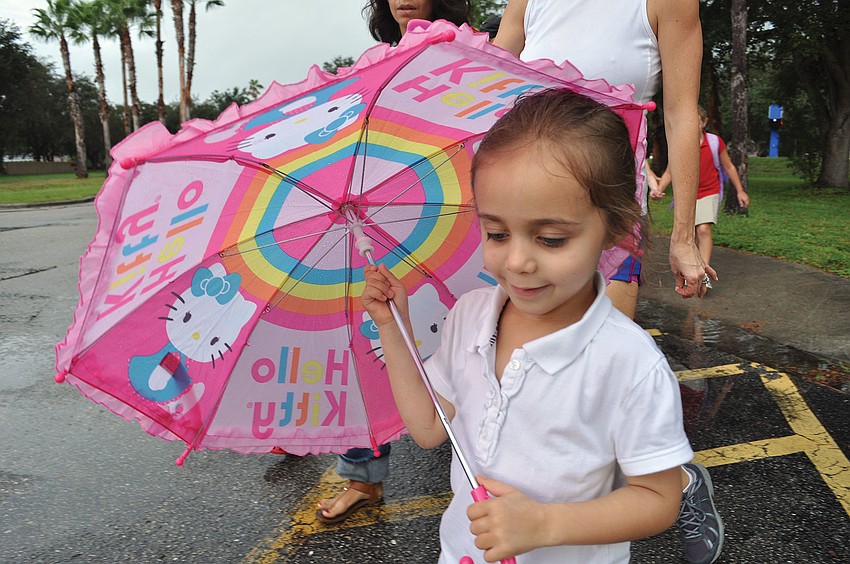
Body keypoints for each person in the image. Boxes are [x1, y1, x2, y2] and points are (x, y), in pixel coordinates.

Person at [362, 88, 694, 563]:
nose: (517, 261)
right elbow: (431, 429)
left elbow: (659, 498)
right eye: (496, 233)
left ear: (616, 229)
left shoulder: (627, 363)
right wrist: (393, 326)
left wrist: (546, 524)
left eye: (551, 239)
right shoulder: (469, 316)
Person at [492, 4, 724, 563]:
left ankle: (678, 481)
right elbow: (493, 66)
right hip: (528, 192)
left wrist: (684, 236)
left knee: (601, 369)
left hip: (606, 207)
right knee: (528, 372)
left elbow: (681, 114)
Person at [315, 0, 473, 525]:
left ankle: (488, 462)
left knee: (469, 344)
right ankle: (363, 476)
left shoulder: (468, 46)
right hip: (373, 225)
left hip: (444, 216)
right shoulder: (372, 59)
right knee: (375, 340)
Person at [493, 0, 716, 320]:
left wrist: (683, 238)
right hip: (525, 209)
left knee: (603, 357)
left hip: (611, 214)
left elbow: (681, 116)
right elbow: (489, 79)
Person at [652, 106, 750, 267]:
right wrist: (658, 189)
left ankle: (704, 272)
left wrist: (740, 191)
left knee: (703, 230)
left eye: (695, 120)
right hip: (686, 195)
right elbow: (670, 172)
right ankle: (693, 267)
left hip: (709, 191)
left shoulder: (714, 142)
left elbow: (729, 167)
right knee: (691, 236)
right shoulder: (680, 144)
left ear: (704, 122)